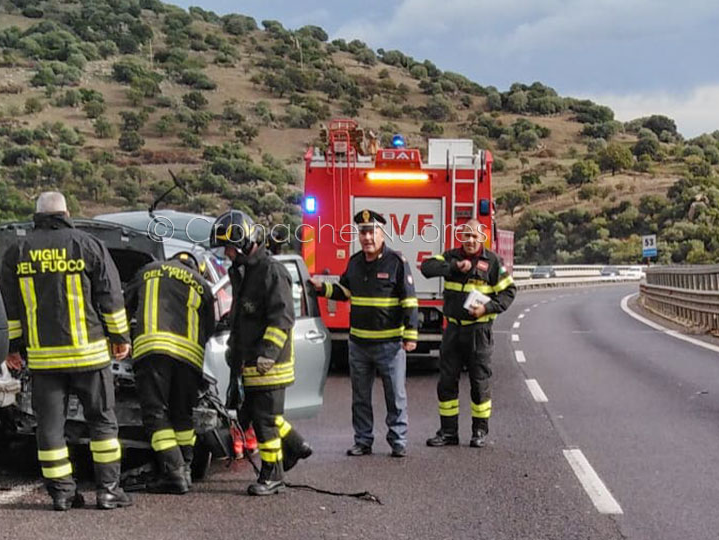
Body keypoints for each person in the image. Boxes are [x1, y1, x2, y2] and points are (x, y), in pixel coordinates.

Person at [0, 192, 133, 511]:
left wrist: (12, 348)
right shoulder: (87, 245)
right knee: (102, 422)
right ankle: (108, 491)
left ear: (37, 216)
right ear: (66, 213)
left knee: (49, 428)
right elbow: (110, 295)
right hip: (90, 356)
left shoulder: (18, 251)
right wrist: (120, 337)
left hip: (45, 361)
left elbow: (9, 307)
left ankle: (61, 493)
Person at [209, 210, 312, 496]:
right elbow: (243, 318)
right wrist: (235, 351)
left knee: (265, 421)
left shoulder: (270, 271)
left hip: (270, 364)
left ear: (244, 242)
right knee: (259, 415)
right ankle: (295, 445)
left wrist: (268, 352)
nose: (227, 253)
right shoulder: (244, 272)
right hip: (250, 361)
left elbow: (282, 317)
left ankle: (272, 475)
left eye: (229, 247)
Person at [311, 209, 418, 458]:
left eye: (372, 232)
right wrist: (321, 288)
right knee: (360, 398)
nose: (367, 237)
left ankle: (398, 440)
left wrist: (411, 335)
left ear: (382, 234)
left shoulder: (396, 262)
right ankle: (362, 440)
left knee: (395, 396)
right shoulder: (355, 262)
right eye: (363, 233)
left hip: (389, 345)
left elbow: (409, 300)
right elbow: (345, 292)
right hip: (359, 344)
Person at [420, 219, 516, 448]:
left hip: (478, 332)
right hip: (453, 330)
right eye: (466, 236)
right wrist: (454, 267)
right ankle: (448, 432)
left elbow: (509, 292)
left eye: (475, 236)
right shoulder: (451, 256)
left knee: (479, 383)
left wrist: (487, 308)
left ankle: (479, 431)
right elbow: (427, 268)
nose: (470, 240)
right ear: (461, 237)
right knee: (446, 382)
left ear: (482, 238)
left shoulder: (492, 261)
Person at [125, 251, 215, 494]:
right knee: (182, 415)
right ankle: (185, 470)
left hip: (153, 350)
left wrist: (121, 340)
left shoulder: (147, 271)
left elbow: (123, 308)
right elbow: (210, 328)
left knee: (155, 413)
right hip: (190, 358)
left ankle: (174, 471)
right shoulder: (203, 285)